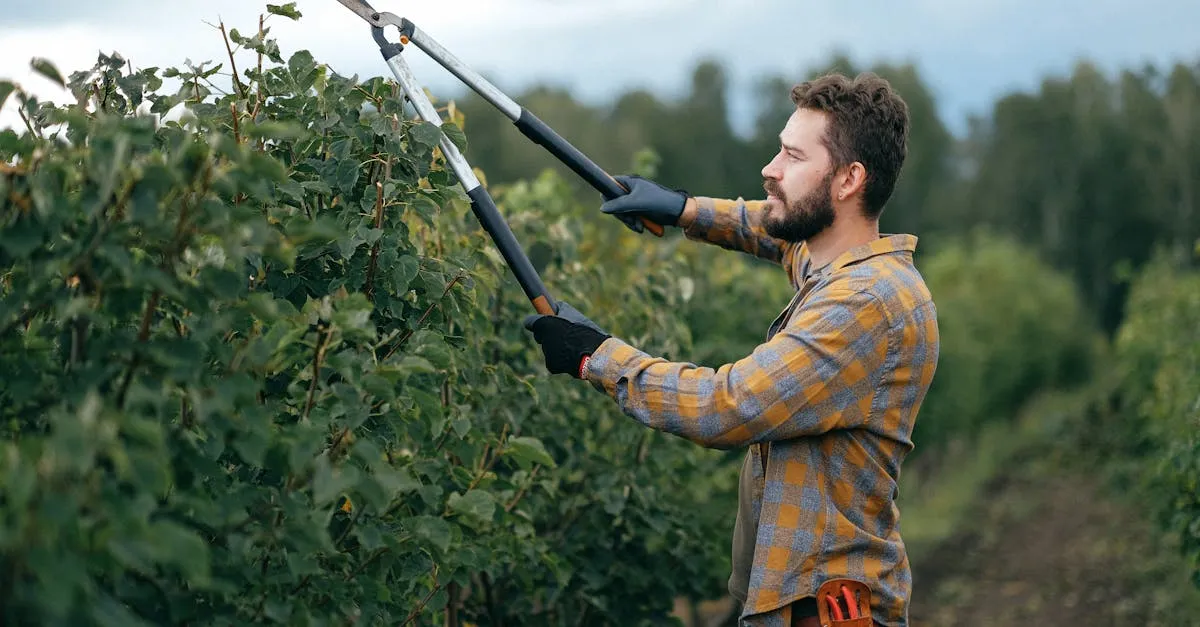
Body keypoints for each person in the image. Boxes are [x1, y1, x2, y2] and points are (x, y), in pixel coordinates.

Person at [522, 71, 940, 627]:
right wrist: (684, 209)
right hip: (792, 601)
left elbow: (728, 406)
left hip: (822, 612)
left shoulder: (864, 304)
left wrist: (595, 355)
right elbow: (769, 229)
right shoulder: (834, 260)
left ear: (847, 180)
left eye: (792, 156)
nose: (770, 168)